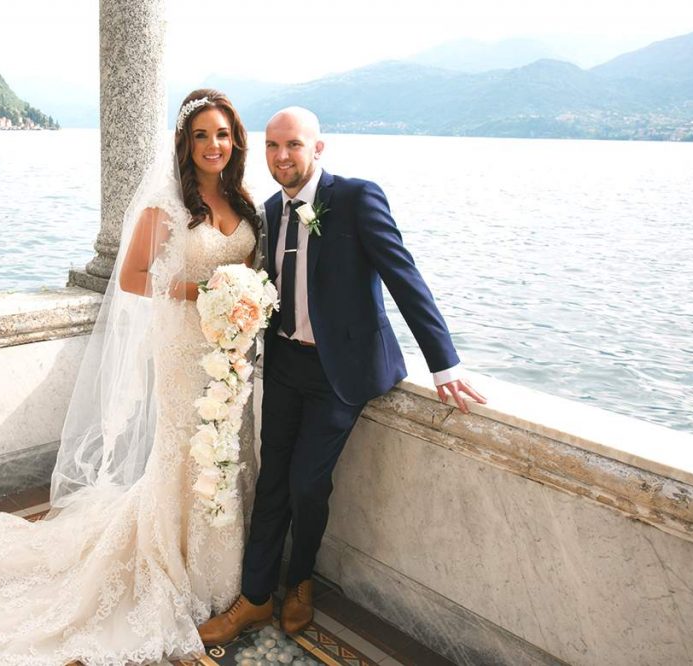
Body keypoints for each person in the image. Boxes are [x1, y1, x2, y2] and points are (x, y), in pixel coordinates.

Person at [0, 89, 261, 666]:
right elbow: (131, 278)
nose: (213, 145)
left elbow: (249, 274)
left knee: (228, 450)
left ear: (236, 140)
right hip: (181, 350)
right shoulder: (167, 207)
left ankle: (226, 569)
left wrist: (243, 306)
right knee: (186, 454)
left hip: (228, 350)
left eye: (222, 134)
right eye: (201, 135)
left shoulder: (244, 203)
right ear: (185, 143)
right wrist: (204, 293)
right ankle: (182, 569)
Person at [198, 107, 486, 645]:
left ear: (317, 149)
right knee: (273, 482)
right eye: (272, 146)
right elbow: (263, 294)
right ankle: (256, 598)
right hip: (283, 367)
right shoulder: (268, 212)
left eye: (294, 145)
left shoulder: (356, 198)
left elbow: (404, 277)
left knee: (309, 483)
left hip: (341, 371)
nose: (282, 156)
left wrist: (443, 362)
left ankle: (300, 580)